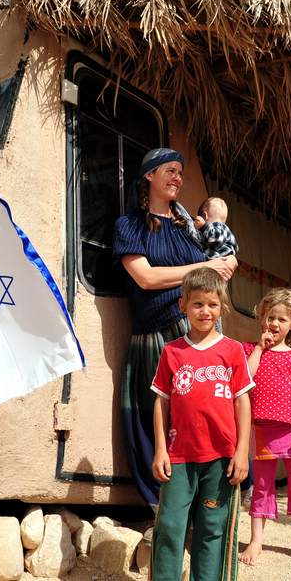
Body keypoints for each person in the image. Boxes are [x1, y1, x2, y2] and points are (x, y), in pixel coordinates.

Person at [113, 148, 238, 506]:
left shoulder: (187, 228)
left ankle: (205, 501)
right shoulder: (129, 225)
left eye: (180, 173)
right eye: (169, 170)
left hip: (196, 334)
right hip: (156, 335)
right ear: (149, 175)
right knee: (156, 417)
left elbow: (216, 264)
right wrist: (203, 270)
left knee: (202, 416)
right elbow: (146, 278)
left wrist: (224, 263)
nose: (177, 178)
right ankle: (162, 506)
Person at [149, 267, 253, 581]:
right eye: (197, 304)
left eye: (212, 304)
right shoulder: (172, 352)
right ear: (183, 304)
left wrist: (242, 452)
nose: (205, 311)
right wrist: (160, 450)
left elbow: (242, 402)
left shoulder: (233, 351)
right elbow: (161, 402)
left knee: (212, 527)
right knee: (170, 525)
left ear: (222, 307)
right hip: (179, 456)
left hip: (221, 458)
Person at [238, 287, 291, 570]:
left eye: (282, 319)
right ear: (262, 318)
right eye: (270, 317)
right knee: (261, 487)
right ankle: (256, 540)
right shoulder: (251, 350)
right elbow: (245, 378)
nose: (274, 323)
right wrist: (260, 348)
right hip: (264, 430)